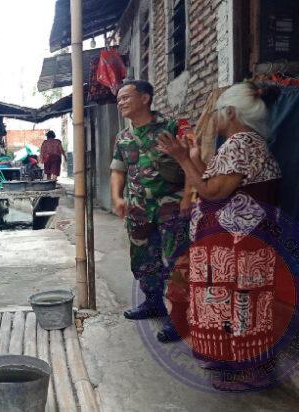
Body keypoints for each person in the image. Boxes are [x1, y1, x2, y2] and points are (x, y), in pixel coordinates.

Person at [158, 82, 284, 390]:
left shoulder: (240, 143)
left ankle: (251, 372)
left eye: (216, 112)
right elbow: (212, 179)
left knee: (243, 305)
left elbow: (212, 191)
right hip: (235, 242)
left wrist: (181, 158)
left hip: (239, 244)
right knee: (231, 303)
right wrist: (192, 157)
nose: (214, 118)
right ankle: (229, 361)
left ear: (229, 113)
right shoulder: (244, 143)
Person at [109, 79, 192, 343]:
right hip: (138, 210)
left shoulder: (171, 127)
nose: (121, 102)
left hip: (171, 208)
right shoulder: (124, 137)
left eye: (126, 97)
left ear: (145, 98)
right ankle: (152, 303)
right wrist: (117, 198)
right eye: (119, 99)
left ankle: (179, 318)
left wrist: (188, 196)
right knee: (143, 259)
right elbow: (117, 170)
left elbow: (191, 160)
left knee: (177, 261)